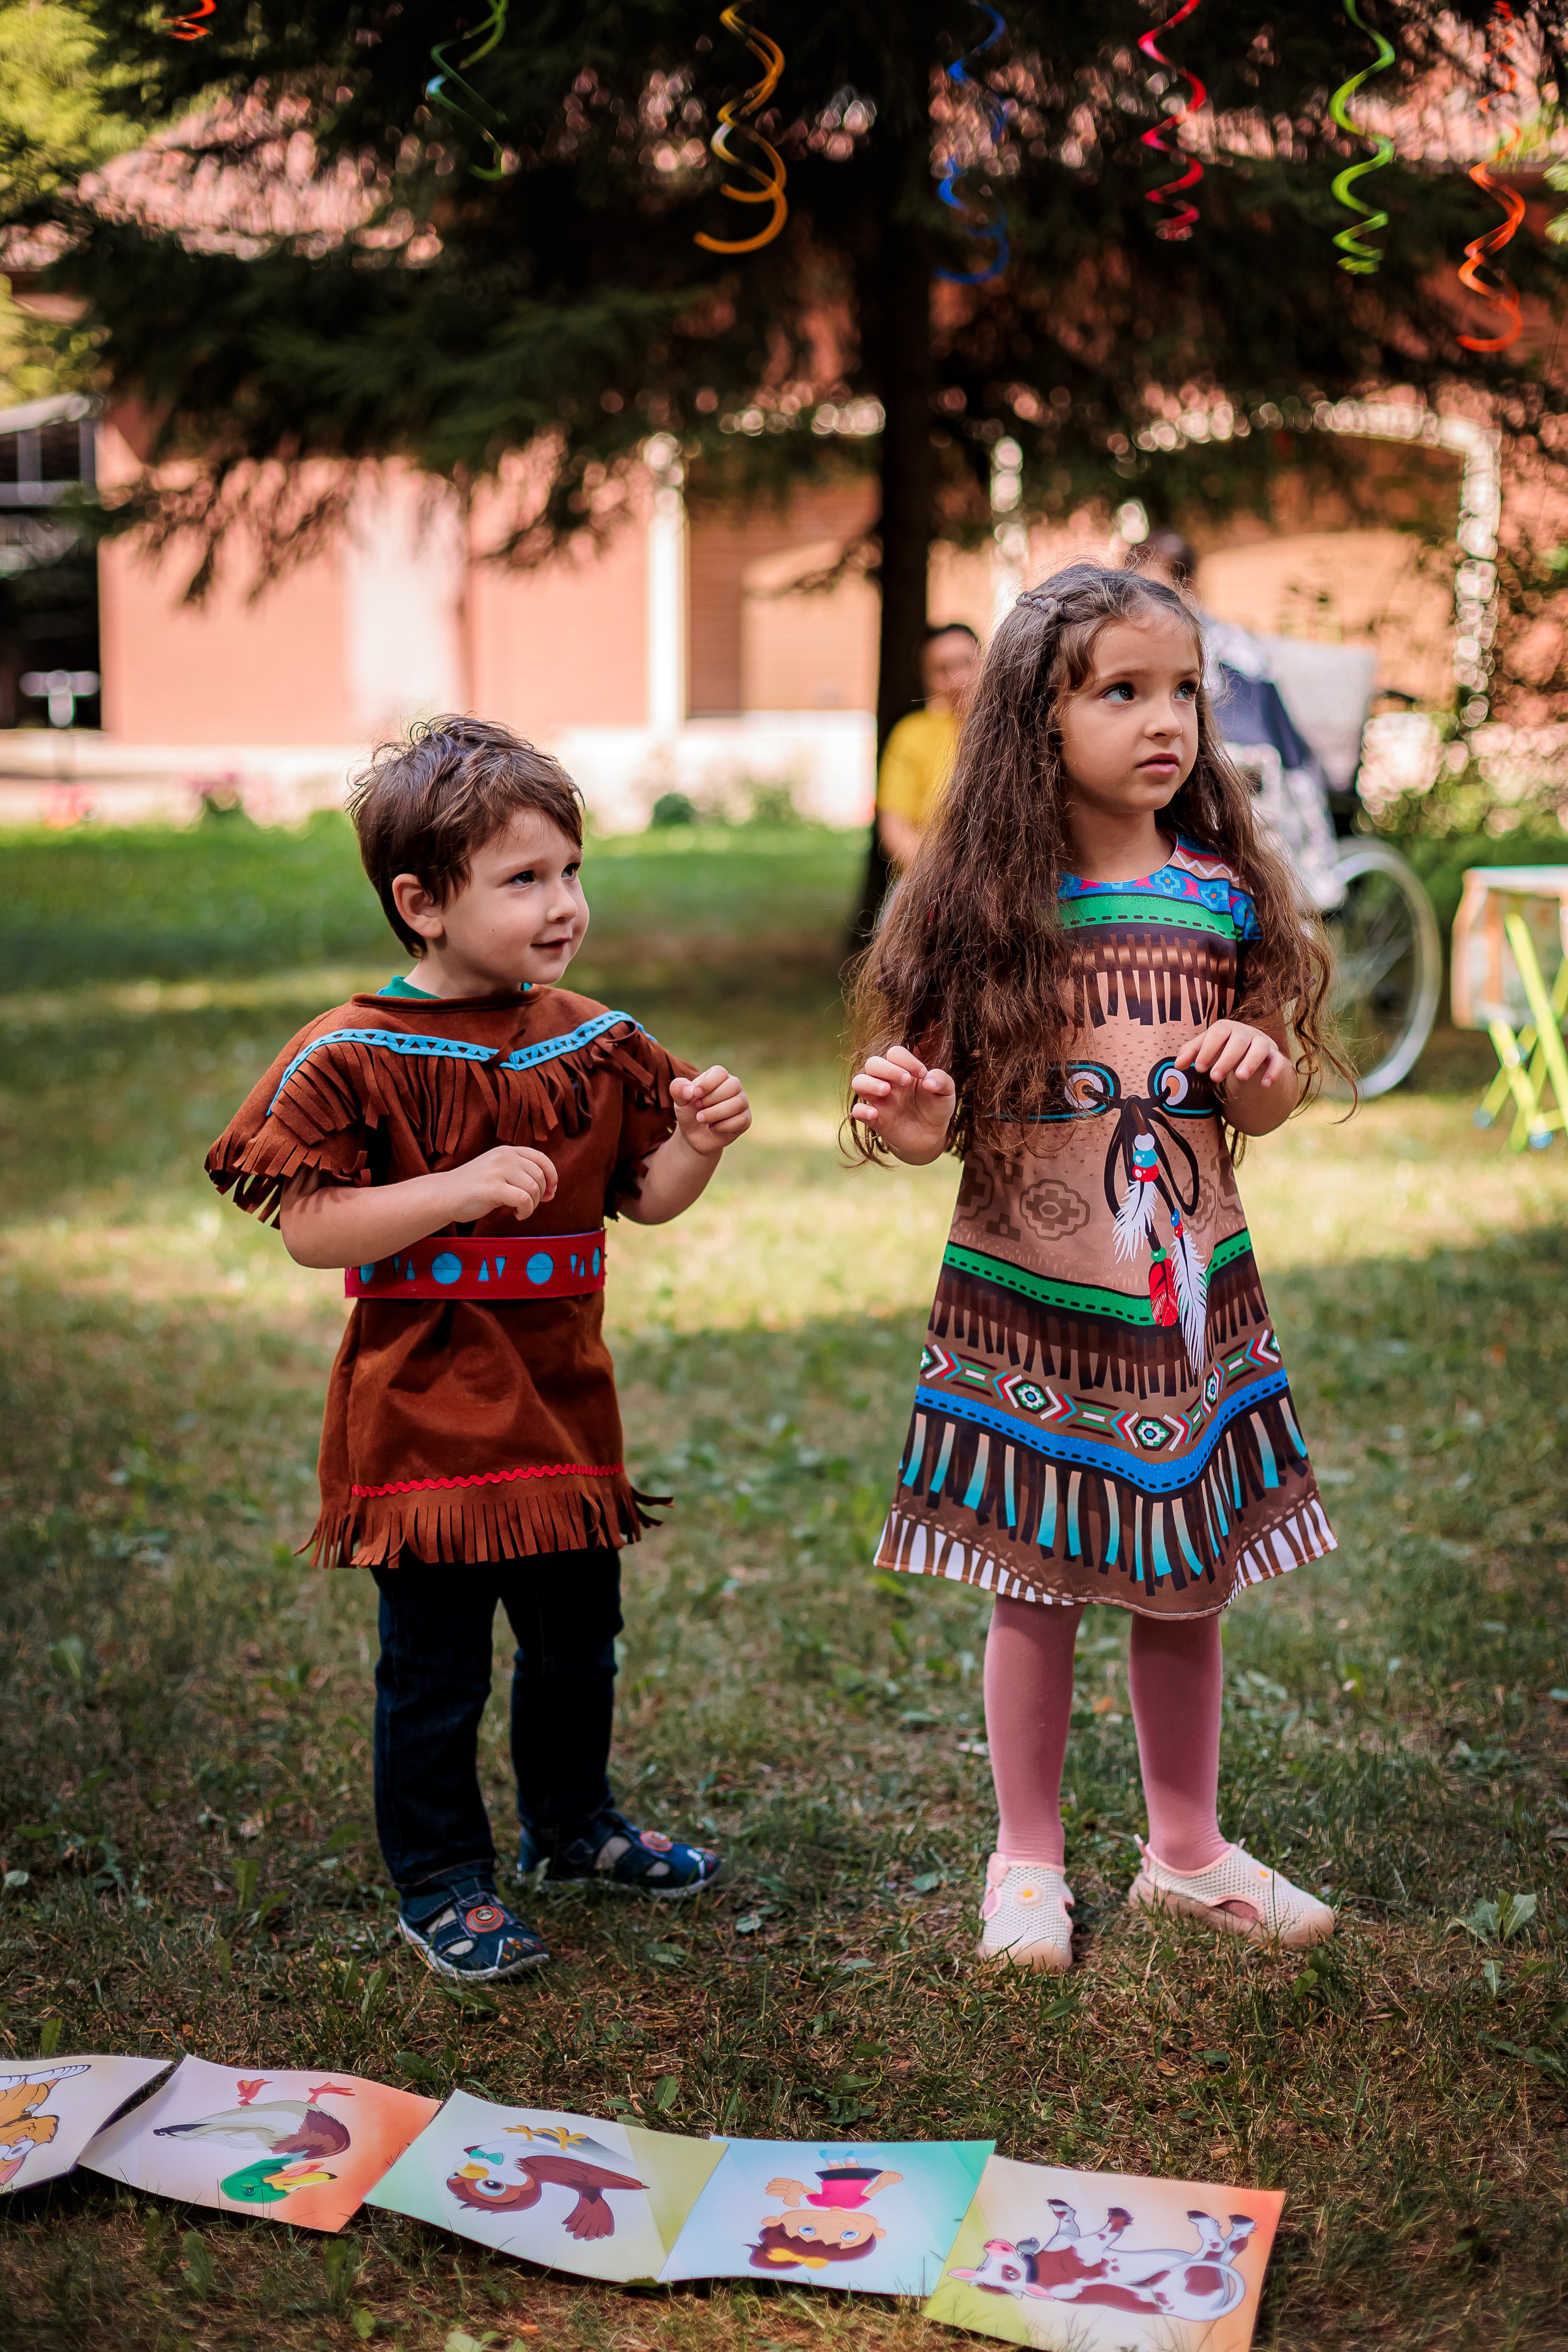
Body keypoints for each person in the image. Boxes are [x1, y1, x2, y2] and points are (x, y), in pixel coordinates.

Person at [848, 564, 1344, 1972]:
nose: (1162, 719)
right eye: (1118, 690)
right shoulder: (986, 905)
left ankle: (1184, 1852)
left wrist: (1255, 1069)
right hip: (1029, 1296)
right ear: (1031, 717)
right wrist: (912, 1119)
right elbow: (928, 1109)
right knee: (1036, 1578)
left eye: (1180, 688)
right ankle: (1025, 1858)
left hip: (1180, 1304)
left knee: (1181, 1578)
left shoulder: (1219, 894)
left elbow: (1260, 1096)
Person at [205, 717, 752, 1981]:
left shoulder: (589, 1036)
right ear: (422, 902)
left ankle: (571, 1826)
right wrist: (451, 1190)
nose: (562, 903)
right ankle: (443, 1876)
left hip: (562, 1407)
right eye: (523, 879)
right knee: (436, 1668)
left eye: (569, 869)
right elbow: (309, 1228)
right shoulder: (351, 1054)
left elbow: (644, 1194)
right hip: (428, 1420)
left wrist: (702, 1145)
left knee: (576, 1641)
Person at [1129, 530, 1343, 910]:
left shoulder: (1234, 653)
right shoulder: (1133, 647)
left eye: (1157, 591)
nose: (1143, 606)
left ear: (1189, 588)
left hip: (1249, 792)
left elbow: (1261, 745)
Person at [875, 622, 982, 869]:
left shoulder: (1019, 726)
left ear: (987, 662)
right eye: (943, 670)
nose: (958, 679)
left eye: (967, 662)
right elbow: (895, 827)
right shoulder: (912, 734)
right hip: (933, 881)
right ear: (928, 681)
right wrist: (943, 876)